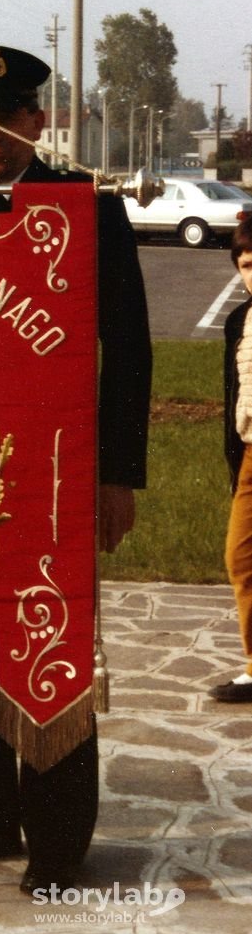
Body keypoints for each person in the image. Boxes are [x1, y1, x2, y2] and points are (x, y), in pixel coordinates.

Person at [0, 46, 152, 893]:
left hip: (49, 477)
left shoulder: (83, 210)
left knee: (45, 648)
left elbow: (130, 354)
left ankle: (54, 841)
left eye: (8, 120)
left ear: (39, 121)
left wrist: (116, 475)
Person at [210, 215, 252, 703]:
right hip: (250, 456)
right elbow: (233, 394)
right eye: (245, 265)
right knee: (241, 557)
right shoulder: (239, 321)